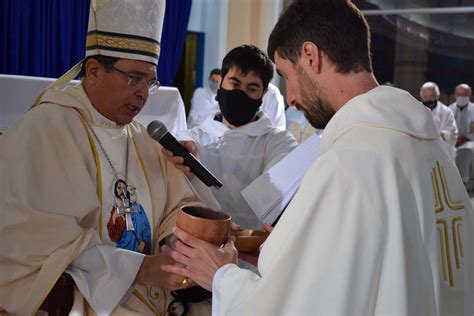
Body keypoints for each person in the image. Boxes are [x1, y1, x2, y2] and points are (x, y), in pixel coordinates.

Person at [161, 1, 474, 315]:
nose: (292, 98)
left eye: (287, 75)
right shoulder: (429, 146)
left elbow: (297, 307)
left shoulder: (347, 163)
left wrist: (220, 276)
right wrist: (281, 254)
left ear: (310, 56)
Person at [0, 1, 213, 314]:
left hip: (159, 296)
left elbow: (173, 209)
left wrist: (177, 242)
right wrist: (144, 269)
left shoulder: (142, 138)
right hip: (87, 302)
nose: (143, 93)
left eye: (150, 81)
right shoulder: (44, 130)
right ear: (94, 70)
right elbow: (39, 240)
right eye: (134, 78)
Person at [171, 45, 297, 229]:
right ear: (221, 83)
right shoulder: (189, 139)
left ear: (263, 94)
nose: (240, 94)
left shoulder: (280, 143)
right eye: (235, 84)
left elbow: (274, 204)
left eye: (251, 88)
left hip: (254, 251)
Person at [420, 81, 458, 159]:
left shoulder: (446, 112)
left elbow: (453, 132)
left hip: (441, 149)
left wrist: (440, 134)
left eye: (432, 96)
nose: (429, 99)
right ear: (421, 97)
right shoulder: (416, 109)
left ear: (437, 96)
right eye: (425, 97)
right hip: (421, 148)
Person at [449, 83, 474, 184]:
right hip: (452, 140)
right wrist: (453, 138)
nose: (461, 97)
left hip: (470, 140)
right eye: (459, 94)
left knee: (466, 150)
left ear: (469, 96)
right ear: (455, 95)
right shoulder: (449, 109)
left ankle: (462, 181)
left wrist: (466, 137)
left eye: (464, 95)